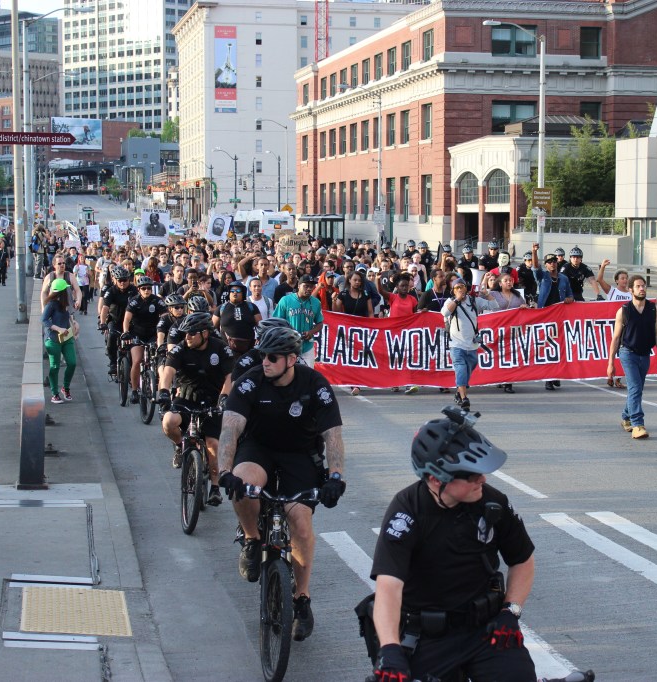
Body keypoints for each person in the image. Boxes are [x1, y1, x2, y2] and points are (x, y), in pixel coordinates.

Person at [363, 407, 541, 682]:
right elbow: (388, 587)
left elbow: (522, 559)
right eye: (471, 475)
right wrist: (390, 649)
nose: (482, 479)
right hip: (427, 637)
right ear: (436, 478)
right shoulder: (407, 510)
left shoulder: (492, 500)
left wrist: (510, 612)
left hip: (486, 630)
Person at [217, 326, 346, 642]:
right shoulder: (250, 382)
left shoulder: (315, 385)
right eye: (262, 355)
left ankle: (301, 598)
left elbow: (333, 437)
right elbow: (230, 431)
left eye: (272, 358)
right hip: (258, 448)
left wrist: (336, 477)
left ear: (291, 359)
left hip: (300, 454)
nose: (265, 362)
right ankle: (251, 537)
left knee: (301, 523)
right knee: (243, 486)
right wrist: (224, 472)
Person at [157, 311, 235, 472]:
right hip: (186, 398)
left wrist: (224, 397)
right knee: (168, 422)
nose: (187, 337)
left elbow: (230, 376)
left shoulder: (220, 348)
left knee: (213, 446)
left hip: (213, 401)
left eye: (192, 333)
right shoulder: (181, 348)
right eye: (185, 333)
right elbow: (168, 371)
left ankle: (214, 489)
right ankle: (180, 446)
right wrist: (164, 392)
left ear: (205, 333)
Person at [606, 275, 657, 440]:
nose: (642, 289)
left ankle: (626, 416)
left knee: (637, 389)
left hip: (644, 354)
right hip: (627, 353)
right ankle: (638, 424)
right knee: (635, 388)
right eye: (638, 286)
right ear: (631, 290)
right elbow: (616, 338)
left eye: (643, 286)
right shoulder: (624, 311)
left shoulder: (654, 310)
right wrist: (611, 362)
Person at [442, 279, 498, 410]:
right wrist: (456, 300)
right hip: (456, 344)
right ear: (453, 291)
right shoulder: (450, 301)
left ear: (466, 288)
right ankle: (464, 398)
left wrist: (486, 294)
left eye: (462, 287)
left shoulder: (474, 301)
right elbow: (445, 313)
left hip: (472, 344)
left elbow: (494, 305)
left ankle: (458, 392)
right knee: (460, 368)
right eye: (456, 288)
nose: (460, 289)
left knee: (469, 369)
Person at [530, 243, 574, 390]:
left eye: (554, 261)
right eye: (549, 262)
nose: (552, 264)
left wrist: (569, 299)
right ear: (546, 265)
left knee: (560, 346)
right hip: (545, 315)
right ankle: (549, 378)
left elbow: (570, 295)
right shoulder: (543, 276)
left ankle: (556, 375)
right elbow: (535, 268)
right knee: (548, 346)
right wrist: (534, 252)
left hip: (560, 316)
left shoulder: (563, 278)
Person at [122, 275, 163, 401]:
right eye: (144, 288)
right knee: (137, 360)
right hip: (137, 334)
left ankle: (154, 380)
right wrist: (126, 332)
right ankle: (134, 390)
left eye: (149, 288)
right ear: (139, 289)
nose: (147, 290)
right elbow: (127, 319)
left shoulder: (157, 301)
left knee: (158, 360)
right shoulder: (134, 301)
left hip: (152, 334)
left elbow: (165, 316)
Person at [272, 274, 324, 367]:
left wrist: (311, 332)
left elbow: (320, 323)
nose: (309, 289)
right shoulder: (285, 300)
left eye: (311, 286)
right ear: (299, 286)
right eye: (306, 286)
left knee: (307, 375)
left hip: (307, 347)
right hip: (288, 346)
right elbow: (276, 322)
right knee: (288, 375)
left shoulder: (316, 302)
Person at [43, 278, 78, 404]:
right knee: (55, 366)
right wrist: (58, 329)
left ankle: (65, 388)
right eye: (66, 289)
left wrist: (73, 323)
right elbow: (45, 320)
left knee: (72, 362)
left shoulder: (65, 303)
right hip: (53, 339)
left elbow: (68, 315)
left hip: (66, 337)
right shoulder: (51, 304)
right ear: (62, 291)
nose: (68, 290)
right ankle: (54, 393)